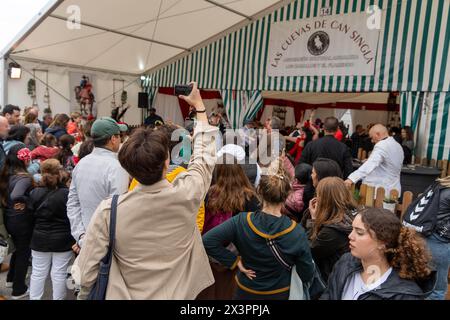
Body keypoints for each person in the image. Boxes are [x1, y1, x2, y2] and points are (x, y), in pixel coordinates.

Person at [73, 82, 219, 299]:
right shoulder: (187, 194)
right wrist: (199, 106)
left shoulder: (109, 211)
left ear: (127, 166)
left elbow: (85, 275)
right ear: (166, 160)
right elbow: (204, 157)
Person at [203, 162, 315, 300]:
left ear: (259, 193)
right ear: (286, 196)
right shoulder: (296, 231)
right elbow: (307, 272)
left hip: (246, 290)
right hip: (279, 291)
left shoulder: (241, 221)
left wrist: (234, 261)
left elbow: (208, 241)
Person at [321, 208, 435, 300]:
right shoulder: (345, 262)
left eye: (359, 232)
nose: (350, 236)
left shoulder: (404, 294)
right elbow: (328, 294)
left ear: (383, 243)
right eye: (352, 229)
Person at [67, 117, 129, 254]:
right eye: (120, 136)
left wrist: (81, 236)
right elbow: (117, 210)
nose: (121, 140)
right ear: (113, 139)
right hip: (108, 245)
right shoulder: (117, 168)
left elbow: (72, 203)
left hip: (88, 240)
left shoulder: (81, 164)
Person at [29, 159, 75, 300]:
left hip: (39, 238)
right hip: (62, 239)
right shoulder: (66, 194)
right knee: (59, 273)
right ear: (60, 172)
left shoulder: (34, 193)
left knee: (38, 272)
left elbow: (30, 216)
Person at [403, 176, 450, 300]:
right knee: (436, 290)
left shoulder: (440, 184)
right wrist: (444, 233)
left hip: (422, 236)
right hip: (438, 241)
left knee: (418, 283)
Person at [305, 177, 357, 282]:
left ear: (325, 199)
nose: (316, 198)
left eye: (318, 195)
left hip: (329, 279)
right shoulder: (350, 215)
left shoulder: (332, 231)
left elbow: (309, 251)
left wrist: (313, 220)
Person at [0, 145, 34, 299]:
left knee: (18, 250)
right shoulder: (24, 177)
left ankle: (11, 278)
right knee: (23, 252)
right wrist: (28, 201)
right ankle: (18, 289)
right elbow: (17, 195)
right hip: (21, 220)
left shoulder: (7, 173)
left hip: (9, 218)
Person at [345, 124, 404, 194]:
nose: (372, 141)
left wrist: (351, 179)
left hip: (380, 190)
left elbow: (370, 165)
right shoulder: (397, 145)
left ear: (378, 134)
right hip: (394, 188)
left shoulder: (382, 145)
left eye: (372, 137)